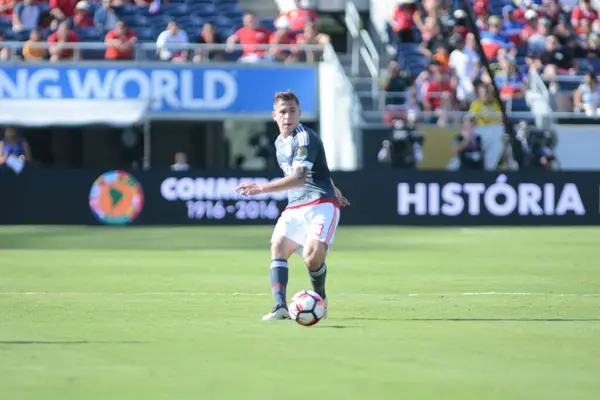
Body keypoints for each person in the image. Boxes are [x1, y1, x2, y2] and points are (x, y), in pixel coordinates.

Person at [235, 91, 350, 321]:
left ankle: (320, 298)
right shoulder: (280, 142)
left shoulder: (304, 138)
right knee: (277, 246)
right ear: (274, 115)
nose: (288, 116)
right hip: (295, 206)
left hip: (320, 204)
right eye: (283, 112)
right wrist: (335, 187)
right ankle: (280, 307)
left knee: (312, 258)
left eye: (293, 111)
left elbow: (299, 178)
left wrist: (262, 188)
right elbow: (316, 170)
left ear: (300, 113)